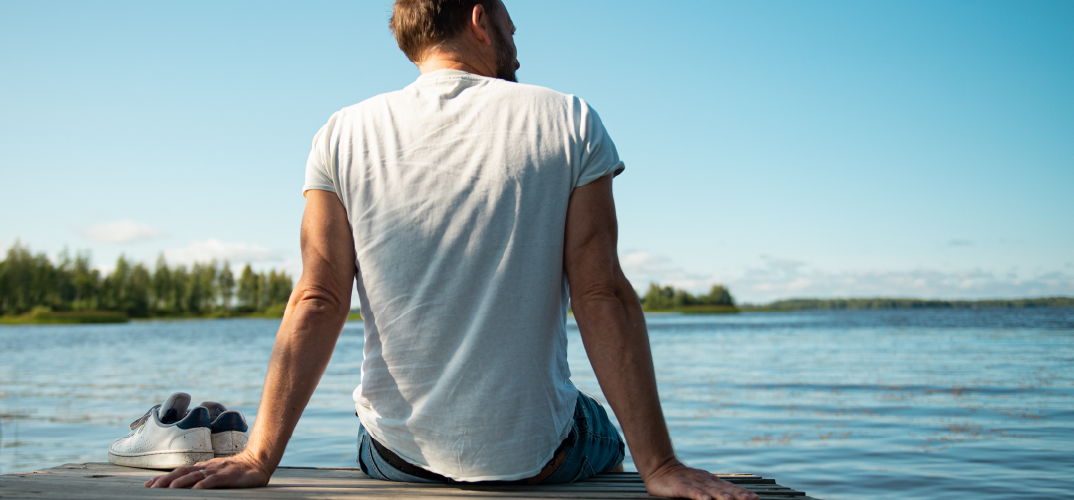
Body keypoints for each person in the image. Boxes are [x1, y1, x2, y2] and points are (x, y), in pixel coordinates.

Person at [148, 1, 757, 498]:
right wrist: (662, 466)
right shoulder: (568, 118)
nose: (517, 49)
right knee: (599, 430)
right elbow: (601, 293)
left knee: (387, 425)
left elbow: (317, 296)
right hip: (537, 459)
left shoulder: (339, 133)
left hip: (395, 459)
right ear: (477, 20)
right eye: (511, 30)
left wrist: (260, 455)